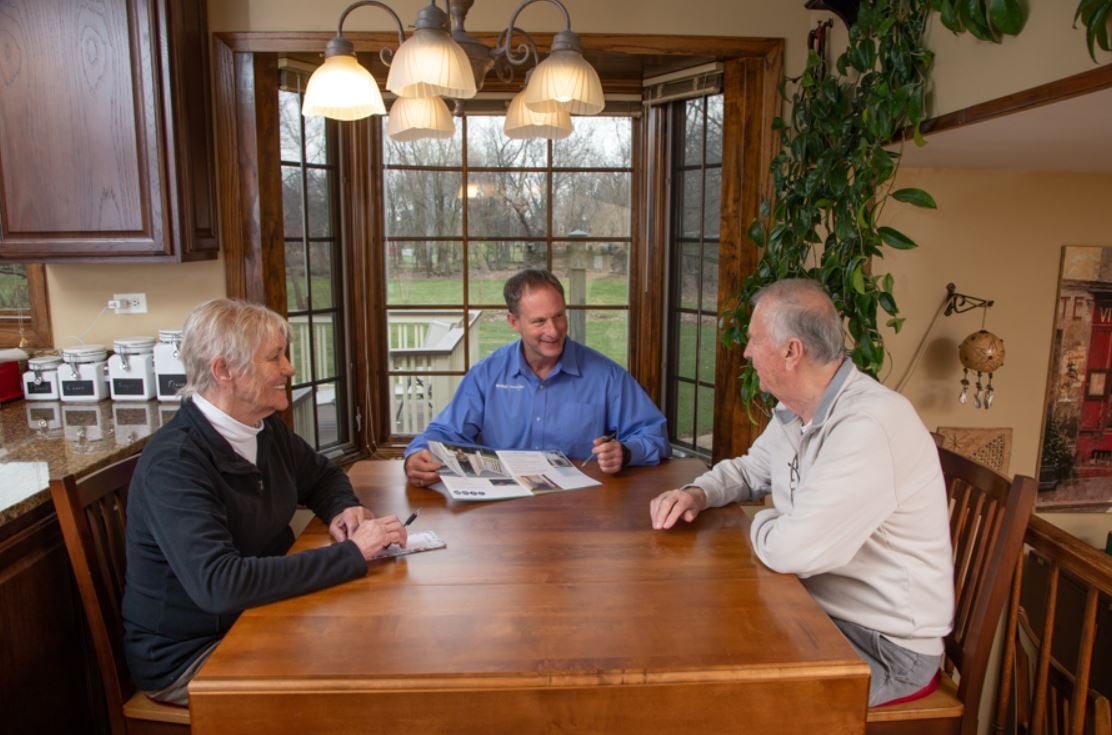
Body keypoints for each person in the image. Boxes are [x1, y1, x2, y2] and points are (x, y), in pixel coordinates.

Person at [649, 278, 953, 707]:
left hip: (885, 648)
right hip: (816, 610)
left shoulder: (868, 425)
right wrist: (698, 492)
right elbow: (750, 470)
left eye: (755, 340)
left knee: (727, 695)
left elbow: (794, 551)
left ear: (792, 351)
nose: (747, 351)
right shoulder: (799, 410)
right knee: (697, 639)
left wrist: (763, 520)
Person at [122, 299, 408, 706]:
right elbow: (220, 586)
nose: (289, 369)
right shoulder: (175, 464)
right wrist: (352, 554)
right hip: (192, 655)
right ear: (224, 371)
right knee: (354, 681)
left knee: (374, 645)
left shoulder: (261, 427)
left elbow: (323, 476)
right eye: (275, 358)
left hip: (259, 615)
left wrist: (343, 507)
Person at [405, 268, 670, 485]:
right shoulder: (486, 374)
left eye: (559, 317)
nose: (553, 331)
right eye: (539, 321)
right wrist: (415, 455)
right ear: (514, 322)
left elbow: (654, 435)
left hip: (581, 507)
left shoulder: (606, 375)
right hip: (503, 509)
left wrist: (624, 452)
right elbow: (445, 431)